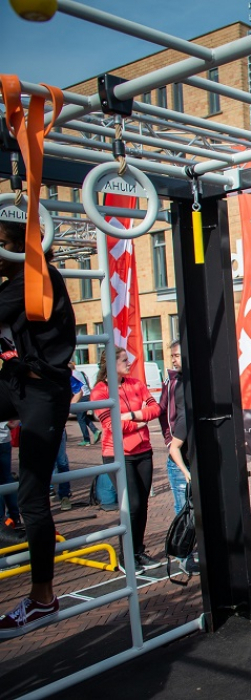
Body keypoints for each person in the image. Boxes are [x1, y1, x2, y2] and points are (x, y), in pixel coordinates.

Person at [0, 220, 77, 639]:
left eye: (2, 244)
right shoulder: (16, 277)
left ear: (20, 248)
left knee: (32, 497)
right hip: (16, 382)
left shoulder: (36, 277)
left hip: (43, 392)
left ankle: (43, 598)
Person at [90, 348, 162, 575]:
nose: (129, 362)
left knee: (142, 505)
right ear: (111, 364)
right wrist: (140, 421)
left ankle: (138, 551)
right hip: (118, 455)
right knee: (132, 505)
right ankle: (127, 556)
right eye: (124, 360)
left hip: (144, 451)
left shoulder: (136, 384)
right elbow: (112, 426)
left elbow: (156, 408)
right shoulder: (100, 392)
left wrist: (131, 416)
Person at [158, 340, 192, 516]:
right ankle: (182, 544)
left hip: (186, 453)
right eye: (172, 356)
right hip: (178, 454)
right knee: (183, 511)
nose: (173, 360)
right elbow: (161, 411)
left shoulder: (188, 382)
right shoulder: (173, 384)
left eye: (177, 356)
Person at [70, 361, 100, 446]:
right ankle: (95, 430)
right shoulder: (81, 373)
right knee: (83, 416)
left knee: (81, 419)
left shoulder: (71, 375)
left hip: (81, 396)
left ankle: (86, 439)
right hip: (87, 395)